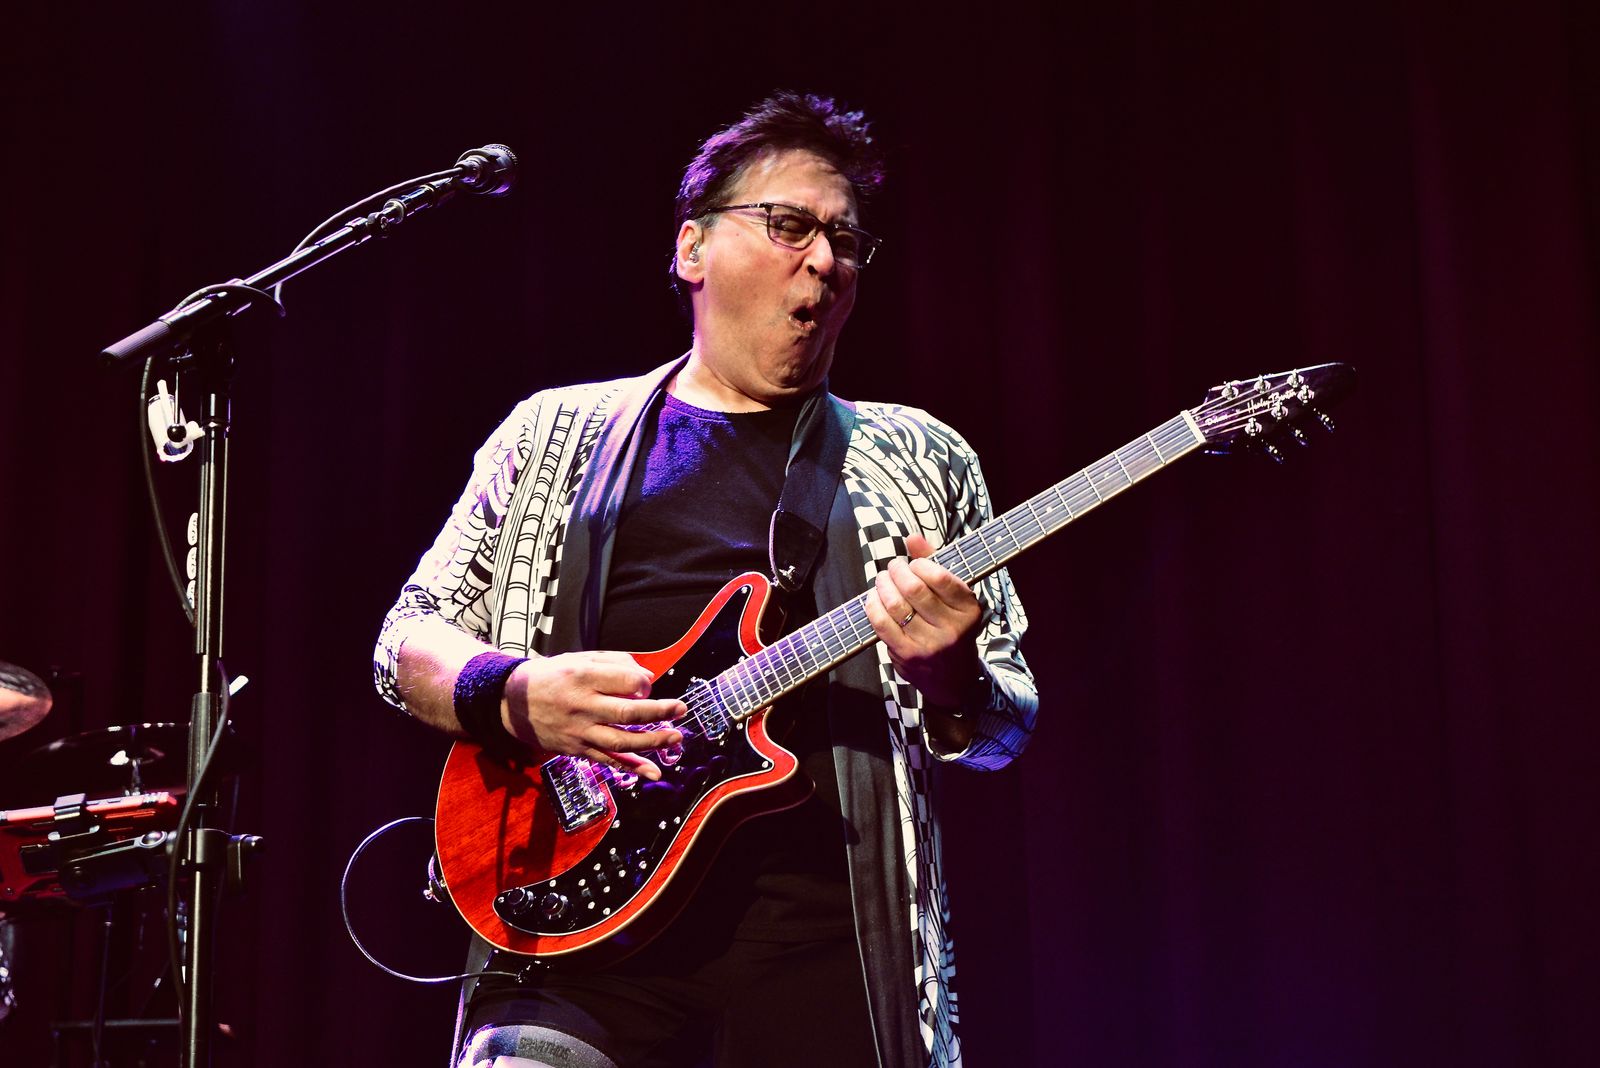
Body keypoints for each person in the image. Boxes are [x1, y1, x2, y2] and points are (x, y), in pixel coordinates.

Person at [374, 92, 1038, 1068]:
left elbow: (1005, 728)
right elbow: (407, 642)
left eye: (846, 240)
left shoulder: (919, 457)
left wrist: (950, 677)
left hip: (828, 952)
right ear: (692, 248)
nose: (824, 260)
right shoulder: (552, 435)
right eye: (789, 225)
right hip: (573, 935)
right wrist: (516, 692)